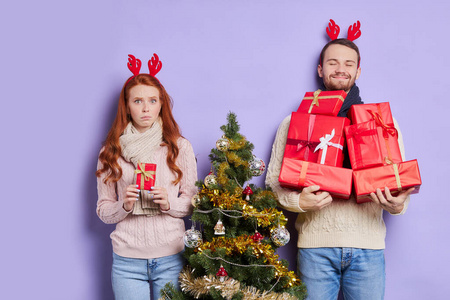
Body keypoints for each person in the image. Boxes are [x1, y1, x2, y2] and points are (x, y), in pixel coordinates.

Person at [265, 23, 415, 299]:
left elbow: (400, 184)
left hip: (368, 248)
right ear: (320, 70)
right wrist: (299, 203)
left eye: (349, 63)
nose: (340, 69)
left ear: (359, 70)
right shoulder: (294, 122)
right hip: (315, 248)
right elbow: (274, 184)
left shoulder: (382, 124)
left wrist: (397, 203)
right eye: (332, 62)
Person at [96, 54, 198, 300]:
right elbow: (103, 209)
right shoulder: (110, 151)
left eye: (152, 100)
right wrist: (124, 206)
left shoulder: (179, 147)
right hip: (127, 259)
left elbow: (194, 201)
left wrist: (169, 202)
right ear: (127, 106)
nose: (145, 108)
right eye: (138, 101)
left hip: (171, 255)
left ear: (161, 104)